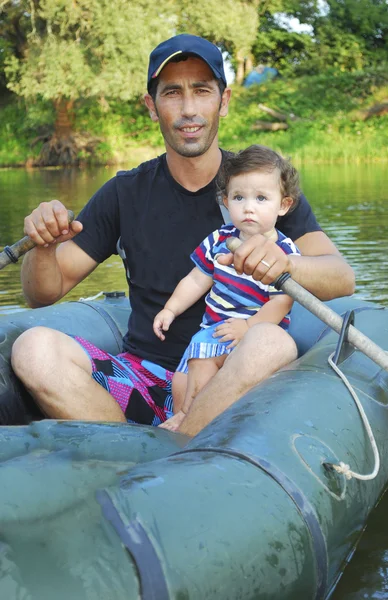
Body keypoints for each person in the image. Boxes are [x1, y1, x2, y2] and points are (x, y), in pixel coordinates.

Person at [11, 34, 355, 437]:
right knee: (33, 349)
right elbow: (43, 294)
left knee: (271, 344)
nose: (189, 109)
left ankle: (181, 436)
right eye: (172, 92)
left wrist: (286, 263)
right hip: (143, 376)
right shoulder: (124, 193)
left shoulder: (259, 191)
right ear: (151, 107)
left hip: (228, 375)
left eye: (202, 91)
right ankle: (135, 450)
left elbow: (341, 277)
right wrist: (45, 246)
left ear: (223, 102)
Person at [154, 145, 301, 431]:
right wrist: (170, 309)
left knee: (204, 366)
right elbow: (197, 279)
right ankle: (185, 415)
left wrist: (248, 326)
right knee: (181, 379)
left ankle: (188, 420)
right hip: (213, 329)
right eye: (238, 197)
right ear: (225, 201)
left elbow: (281, 302)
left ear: (283, 205)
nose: (248, 207)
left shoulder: (283, 252)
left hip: (250, 335)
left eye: (261, 198)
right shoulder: (219, 239)